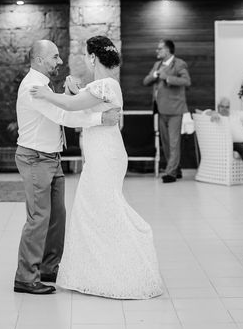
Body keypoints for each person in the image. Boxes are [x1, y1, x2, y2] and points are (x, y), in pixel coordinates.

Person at [31, 36, 163, 299]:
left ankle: (120, 271)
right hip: (103, 152)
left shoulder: (104, 84)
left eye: (85, 55)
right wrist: (71, 91)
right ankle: (98, 270)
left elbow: (71, 107)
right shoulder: (105, 85)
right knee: (94, 210)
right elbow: (80, 110)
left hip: (105, 155)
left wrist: (49, 94)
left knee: (101, 209)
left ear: (93, 58)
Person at [13, 39, 121, 295]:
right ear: (39, 60)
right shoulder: (32, 86)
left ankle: (49, 268)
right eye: (55, 57)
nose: (60, 62)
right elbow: (61, 115)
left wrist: (69, 93)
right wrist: (100, 118)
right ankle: (26, 277)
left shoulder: (44, 86)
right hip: (35, 157)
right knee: (39, 217)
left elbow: (60, 105)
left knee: (57, 217)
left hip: (51, 157)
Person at [142, 39, 191, 183]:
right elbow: (146, 81)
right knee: (166, 142)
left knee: (174, 143)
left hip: (175, 110)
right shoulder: (157, 65)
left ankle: (171, 173)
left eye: (160, 49)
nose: (157, 51)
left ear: (168, 50)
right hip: (160, 110)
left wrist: (168, 78)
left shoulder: (179, 64)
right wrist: (156, 75)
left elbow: (186, 81)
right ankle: (176, 169)